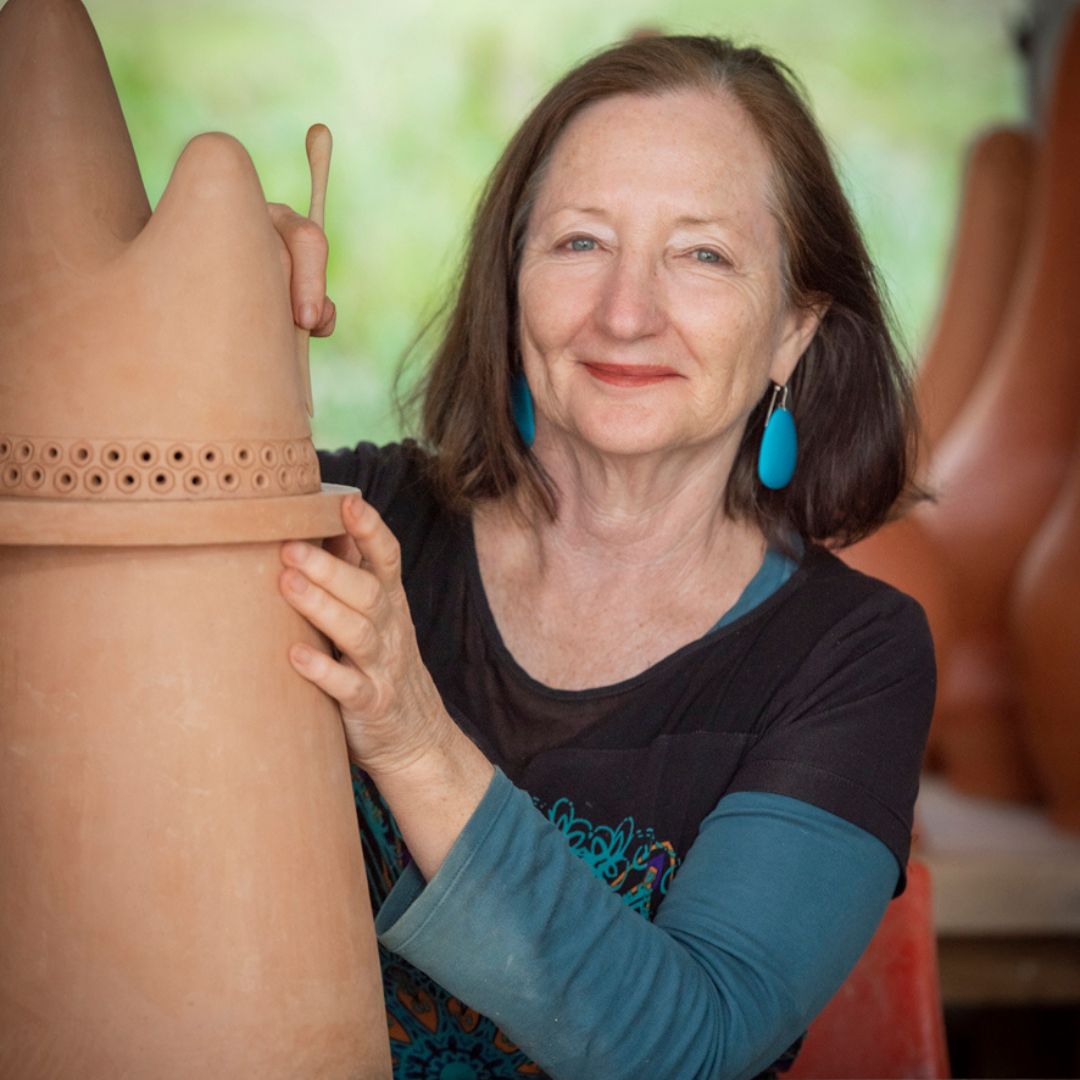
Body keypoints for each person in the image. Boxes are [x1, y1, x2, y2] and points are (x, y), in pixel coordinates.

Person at [270, 34, 934, 1080]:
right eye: (580, 243)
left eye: (702, 254)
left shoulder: (851, 654)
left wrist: (410, 741)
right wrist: (210, 324)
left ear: (793, 331)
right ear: (511, 284)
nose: (627, 313)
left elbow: (691, 1050)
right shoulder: (353, 520)